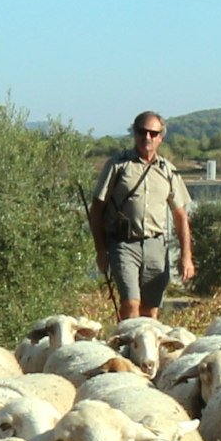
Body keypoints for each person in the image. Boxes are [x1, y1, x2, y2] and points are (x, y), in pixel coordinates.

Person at [88, 111, 195, 315]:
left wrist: (186, 256)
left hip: (156, 245)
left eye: (153, 133)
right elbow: (96, 210)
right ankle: (127, 345)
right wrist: (101, 250)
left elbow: (180, 216)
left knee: (151, 309)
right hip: (123, 245)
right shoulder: (118, 166)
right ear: (134, 133)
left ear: (160, 137)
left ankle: (145, 347)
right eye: (142, 131)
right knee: (130, 303)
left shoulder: (168, 171)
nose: (147, 137)